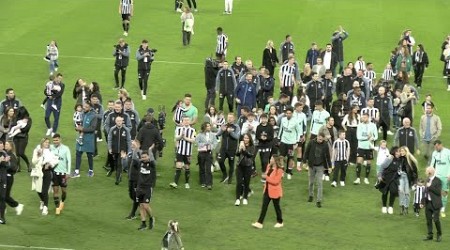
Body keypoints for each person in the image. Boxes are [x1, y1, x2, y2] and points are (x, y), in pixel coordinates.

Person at [252, 155, 284, 229]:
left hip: (275, 192)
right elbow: (266, 175)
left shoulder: (279, 170)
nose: (270, 160)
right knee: (264, 207)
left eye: (272, 159)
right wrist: (264, 177)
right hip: (267, 190)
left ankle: (280, 222)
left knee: (277, 207)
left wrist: (266, 178)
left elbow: (276, 181)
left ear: (275, 161)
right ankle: (259, 223)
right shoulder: (269, 166)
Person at [31, 138, 59, 216]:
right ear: (42, 142)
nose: (47, 143)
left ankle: (45, 208)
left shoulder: (49, 151)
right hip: (38, 172)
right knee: (38, 190)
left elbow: (56, 160)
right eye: (45, 142)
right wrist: (38, 156)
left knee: (44, 190)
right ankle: (42, 201)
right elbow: (33, 161)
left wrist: (50, 164)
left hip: (47, 172)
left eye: (48, 142)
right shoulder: (37, 150)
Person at [302, 133, 331, 207]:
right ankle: (311, 196)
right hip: (312, 166)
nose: (320, 140)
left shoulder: (325, 145)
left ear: (323, 138)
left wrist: (329, 166)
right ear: (317, 137)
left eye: (321, 139)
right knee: (311, 182)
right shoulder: (311, 142)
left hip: (320, 166)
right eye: (319, 139)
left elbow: (328, 156)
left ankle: (318, 201)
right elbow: (306, 152)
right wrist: (304, 162)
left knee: (320, 183)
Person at [170, 116, 196, 189]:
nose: (186, 121)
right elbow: (176, 138)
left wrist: (185, 138)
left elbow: (193, 140)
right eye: (185, 120)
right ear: (182, 121)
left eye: (188, 120)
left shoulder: (193, 130)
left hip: (188, 152)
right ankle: (175, 182)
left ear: (190, 121)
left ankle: (187, 183)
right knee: (178, 165)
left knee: (187, 167)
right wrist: (181, 135)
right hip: (180, 151)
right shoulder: (178, 129)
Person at [73, 102, 97, 178]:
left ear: (90, 107)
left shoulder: (93, 116)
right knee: (78, 153)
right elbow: (78, 124)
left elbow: (92, 128)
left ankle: (91, 170)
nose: (84, 108)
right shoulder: (81, 114)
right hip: (81, 137)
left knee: (89, 155)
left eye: (86, 107)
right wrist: (77, 128)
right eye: (84, 106)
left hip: (89, 138)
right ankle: (76, 171)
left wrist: (83, 129)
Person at [354, 112, 378, 185]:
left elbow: (376, 136)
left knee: (368, 163)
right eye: (362, 117)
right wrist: (367, 138)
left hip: (369, 147)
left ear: (368, 117)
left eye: (365, 117)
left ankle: (366, 178)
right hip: (361, 146)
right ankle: (358, 178)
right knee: (359, 162)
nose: (363, 119)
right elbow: (358, 137)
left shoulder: (373, 125)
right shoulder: (360, 125)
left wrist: (372, 138)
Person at [278, 107, 302, 180]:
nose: (288, 115)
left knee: (290, 157)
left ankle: (289, 171)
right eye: (287, 113)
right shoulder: (283, 120)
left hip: (291, 143)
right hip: (283, 141)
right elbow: (281, 129)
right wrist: (279, 138)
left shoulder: (295, 121)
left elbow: (299, 132)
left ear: (292, 113)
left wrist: (297, 142)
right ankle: (282, 171)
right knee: (281, 157)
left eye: (289, 113)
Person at [216, 113, 240, 184]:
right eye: (228, 117)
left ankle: (230, 178)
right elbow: (217, 134)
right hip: (223, 148)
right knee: (220, 161)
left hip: (232, 148)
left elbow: (237, 137)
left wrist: (231, 132)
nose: (229, 119)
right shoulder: (224, 125)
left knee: (231, 163)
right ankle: (224, 175)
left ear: (234, 118)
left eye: (231, 117)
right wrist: (222, 130)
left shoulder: (236, 127)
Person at [50, 134, 71, 215]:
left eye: (57, 140)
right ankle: (57, 207)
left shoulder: (66, 149)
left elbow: (68, 161)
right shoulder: (51, 148)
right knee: (55, 191)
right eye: (54, 140)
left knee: (64, 191)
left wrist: (68, 172)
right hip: (54, 173)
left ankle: (62, 201)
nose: (55, 142)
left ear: (60, 140)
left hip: (63, 174)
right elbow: (42, 147)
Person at [108, 116, 131, 185]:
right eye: (117, 121)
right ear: (115, 121)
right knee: (115, 164)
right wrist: (109, 148)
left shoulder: (126, 130)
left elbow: (128, 141)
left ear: (122, 121)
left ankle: (118, 178)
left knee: (119, 164)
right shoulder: (112, 129)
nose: (119, 122)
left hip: (122, 151)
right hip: (114, 150)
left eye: (120, 121)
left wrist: (129, 150)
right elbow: (110, 139)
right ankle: (118, 175)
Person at [421, 166, 443, 242]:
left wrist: (430, 187)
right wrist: (422, 202)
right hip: (428, 203)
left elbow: (438, 192)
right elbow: (424, 192)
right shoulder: (427, 180)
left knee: (436, 219)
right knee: (428, 220)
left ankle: (439, 234)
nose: (426, 172)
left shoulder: (438, 181)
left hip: (436, 203)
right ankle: (430, 235)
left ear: (431, 172)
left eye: (427, 171)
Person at [234, 133, 256, 206]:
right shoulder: (240, 144)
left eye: (247, 138)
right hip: (240, 166)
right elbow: (236, 154)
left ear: (249, 139)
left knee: (246, 183)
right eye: (244, 138)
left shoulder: (252, 146)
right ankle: (237, 198)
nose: (245, 139)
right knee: (239, 183)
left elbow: (250, 155)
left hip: (248, 166)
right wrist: (240, 149)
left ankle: (245, 198)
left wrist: (244, 150)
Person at [430, 140, 450, 218]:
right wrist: (431, 173)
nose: (436, 148)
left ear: (441, 145)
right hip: (437, 176)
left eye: (437, 146)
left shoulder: (448, 152)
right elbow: (432, 164)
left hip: (446, 176)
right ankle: (435, 208)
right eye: (435, 147)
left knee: (444, 192)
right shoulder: (434, 153)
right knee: (435, 192)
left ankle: (442, 208)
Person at [378, 146, 401, 215]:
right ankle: (384, 206)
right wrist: (379, 176)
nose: (398, 153)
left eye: (399, 152)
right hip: (386, 178)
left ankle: (390, 206)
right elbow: (382, 166)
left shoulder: (400, 160)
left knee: (393, 192)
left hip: (394, 179)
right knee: (385, 192)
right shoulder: (390, 158)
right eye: (397, 151)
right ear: (393, 152)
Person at [136, 151, 155, 231]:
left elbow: (152, 162)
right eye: (142, 157)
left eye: (145, 157)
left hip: (147, 188)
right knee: (141, 205)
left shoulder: (151, 164)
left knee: (146, 205)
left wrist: (150, 152)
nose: (143, 158)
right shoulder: (139, 163)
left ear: (148, 157)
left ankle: (151, 217)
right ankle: (143, 223)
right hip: (139, 187)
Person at [196, 122, 218, 190]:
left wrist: (210, 147)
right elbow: (196, 143)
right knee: (202, 168)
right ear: (204, 127)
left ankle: (209, 183)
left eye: (209, 126)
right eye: (207, 126)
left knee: (208, 169)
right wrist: (204, 144)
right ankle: (203, 182)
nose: (209, 127)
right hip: (201, 153)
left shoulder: (212, 135)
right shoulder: (200, 135)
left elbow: (215, 143)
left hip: (208, 153)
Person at [398, 146, 418, 215]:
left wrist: (415, 182)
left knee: (407, 193)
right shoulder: (399, 159)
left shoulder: (410, 160)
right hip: (401, 177)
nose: (401, 152)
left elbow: (415, 172)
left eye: (403, 151)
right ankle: (401, 207)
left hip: (407, 178)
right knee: (401, 191)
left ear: (406, 152)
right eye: (401, 151)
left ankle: (406, 207)